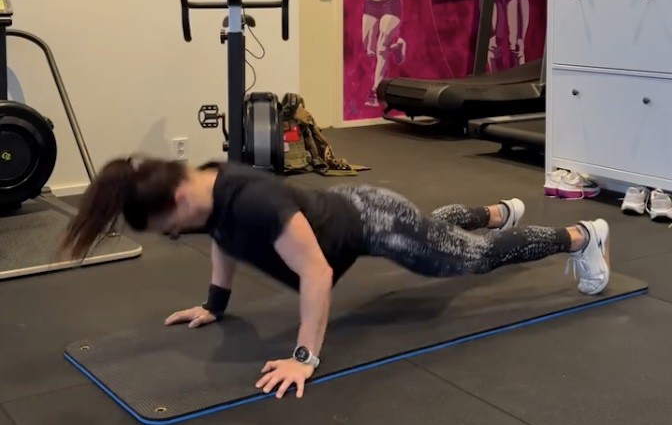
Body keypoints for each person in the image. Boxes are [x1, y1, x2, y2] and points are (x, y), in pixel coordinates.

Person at [61, 157, 611, 400]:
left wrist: (304, 358)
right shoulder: (206, 186)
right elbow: (222, 241)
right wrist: (214, 304)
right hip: (349, 212)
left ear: (178, 198)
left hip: (374, 223)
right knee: (435, 238)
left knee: (465, 260)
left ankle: (583, 237)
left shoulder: (250, 202)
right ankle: (496, 211)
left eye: (169, 226)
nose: (175, 233)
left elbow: (317, 273)